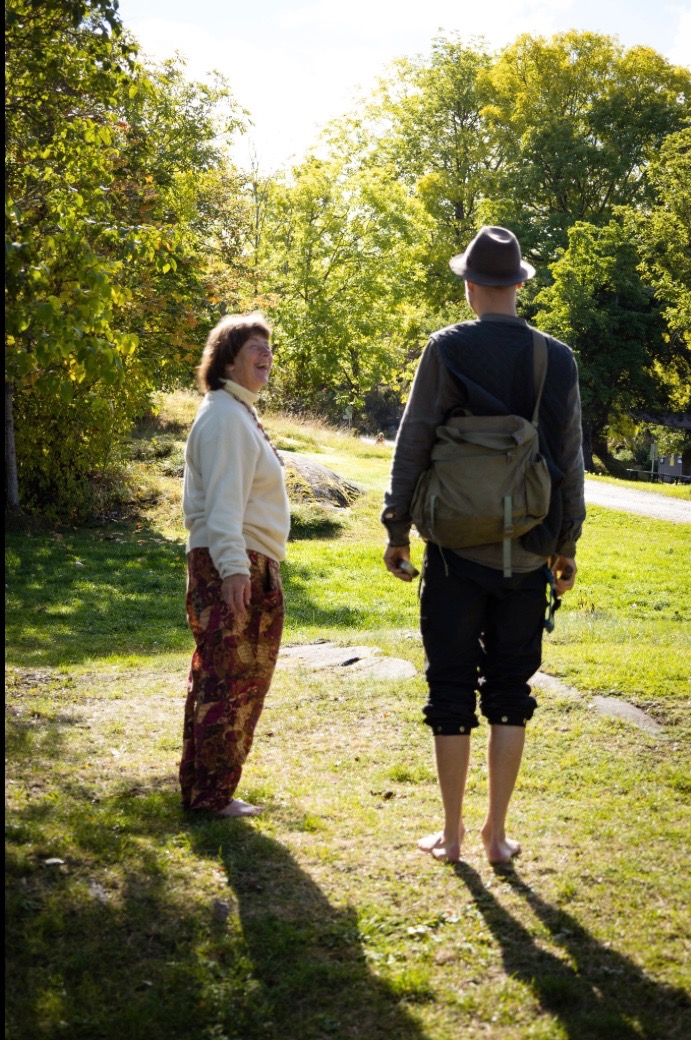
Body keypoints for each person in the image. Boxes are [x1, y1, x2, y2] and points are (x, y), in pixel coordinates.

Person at [382, 226, 585, 864]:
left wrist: (396, 528)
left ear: (471, 286)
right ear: (519, 285)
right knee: (509, 692)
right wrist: (566, 545)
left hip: (453, 551)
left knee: (449, 687)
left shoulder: (446, 348)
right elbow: (570, 460)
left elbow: (414, 440)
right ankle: (496, 835)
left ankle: (452, 834)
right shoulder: (558, 359)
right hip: (528, 550)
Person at [179, 312, 290, 818]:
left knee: (224, 679)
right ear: (227, 361)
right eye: (254, 348)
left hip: (244, 558)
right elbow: (224, 503)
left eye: (269, 347)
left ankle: (205, 791)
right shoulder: (226, 416)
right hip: (236, 560)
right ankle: (211, 795)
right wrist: (234, 568)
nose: (267, 355)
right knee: (230, 682)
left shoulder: (235, 412)